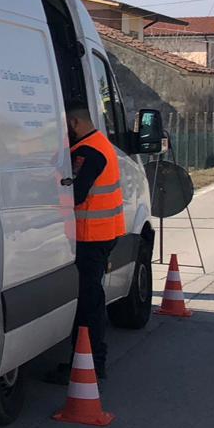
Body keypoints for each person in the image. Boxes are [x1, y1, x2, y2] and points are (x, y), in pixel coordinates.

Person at [47, 105, 125, 383]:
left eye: (65, 126)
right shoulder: (99, 144)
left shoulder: (88, 152)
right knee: (91, 298)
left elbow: (76, 194)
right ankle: (89, 361)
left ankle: (89, 364)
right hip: (101, 233)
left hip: (92, 236)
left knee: (89, 303)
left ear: (74, 122)